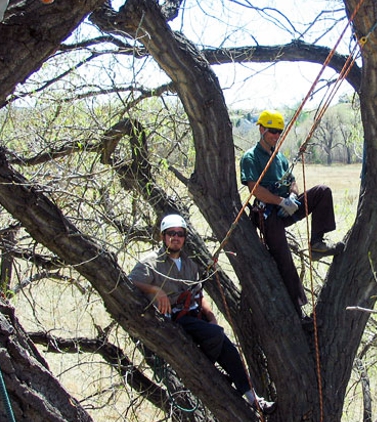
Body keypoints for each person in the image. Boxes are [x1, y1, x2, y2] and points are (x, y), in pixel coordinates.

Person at [129, 214, 276, 415]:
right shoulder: (151, 263)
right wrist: (156, 290)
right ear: (163, 236)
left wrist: (210, 315)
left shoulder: (189, 264)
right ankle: (211, 369)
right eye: (171, 234)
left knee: (229, 349)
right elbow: (130, 282)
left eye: (180, 234)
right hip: (174, 319)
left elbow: (198, 294)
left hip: (194, 316)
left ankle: (253, 399)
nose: (176, 238)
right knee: (215, 335)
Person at [240, 110, 344, 317]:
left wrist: (294, 196)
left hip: (286, 206)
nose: (275, 135)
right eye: (271, 131)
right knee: (284, 258)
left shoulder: (280, 158)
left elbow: (292, 180)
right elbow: (255, 189)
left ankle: (317, 243)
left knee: (322, 192)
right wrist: (280, 201)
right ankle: (297, 311)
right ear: (261, 129)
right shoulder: (250, 157)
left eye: (279, 131)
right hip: (266, 214)